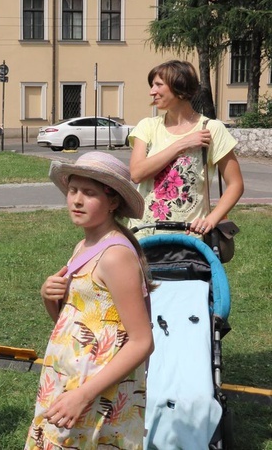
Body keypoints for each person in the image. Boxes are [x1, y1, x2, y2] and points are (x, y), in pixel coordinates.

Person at [25, 151, 154, 449]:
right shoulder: (83, 245)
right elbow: (72, 323)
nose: (76, 200)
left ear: (113, 202)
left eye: (89, 193)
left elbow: (142, 341)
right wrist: (49, 297)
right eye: (73, 191)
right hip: (68, 382)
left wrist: (83, 395)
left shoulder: (116, 256)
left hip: (96, 393)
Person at [129, 60, 244, 237]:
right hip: (143, 234)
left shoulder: (211, 129)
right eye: (152, 85)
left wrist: (211, 219)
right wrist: (182, 144)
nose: (152, 91)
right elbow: (137, 173)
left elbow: (235, 184)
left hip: (189, 237)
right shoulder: (147, 127)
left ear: (179, 88)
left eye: (159, 85)